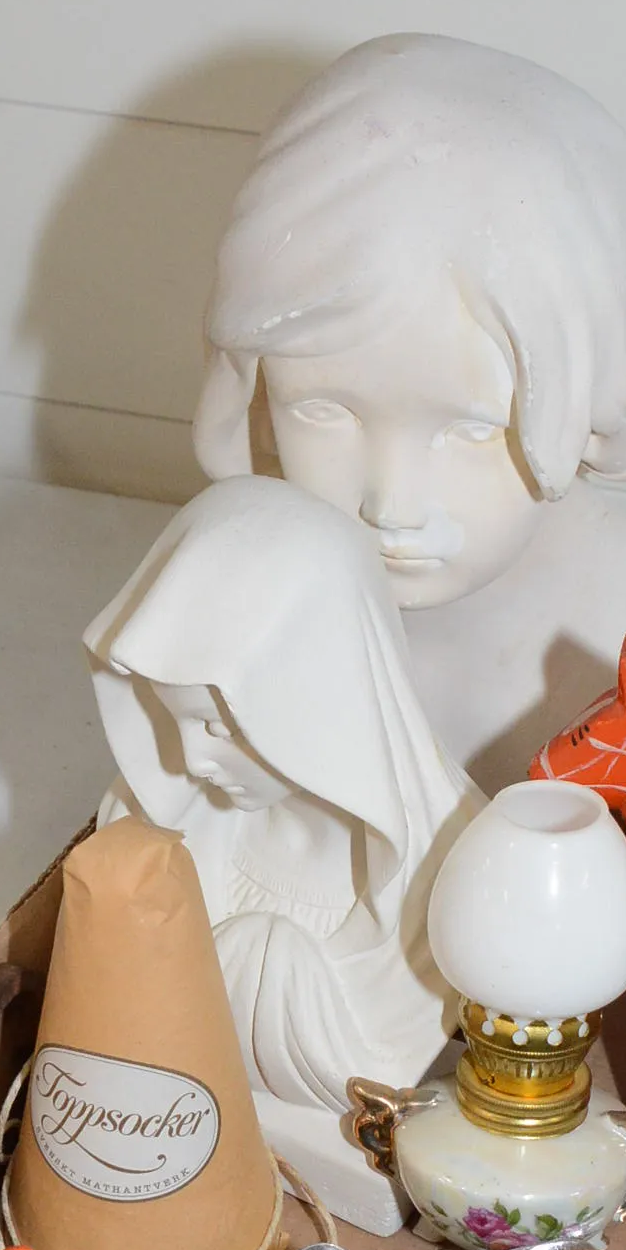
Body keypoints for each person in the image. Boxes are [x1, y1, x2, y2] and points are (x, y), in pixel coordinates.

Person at [193, 34, 626, 790]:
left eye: (473, 428)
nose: (391, 506)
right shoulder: (234, 614)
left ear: (598, 389)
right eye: (325, 411)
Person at [85, 473, 480, 1130]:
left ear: (317, 694)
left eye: (219, 729)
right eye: (172, 718)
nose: (190, 761)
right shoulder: (151, 829)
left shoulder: (460, 878)